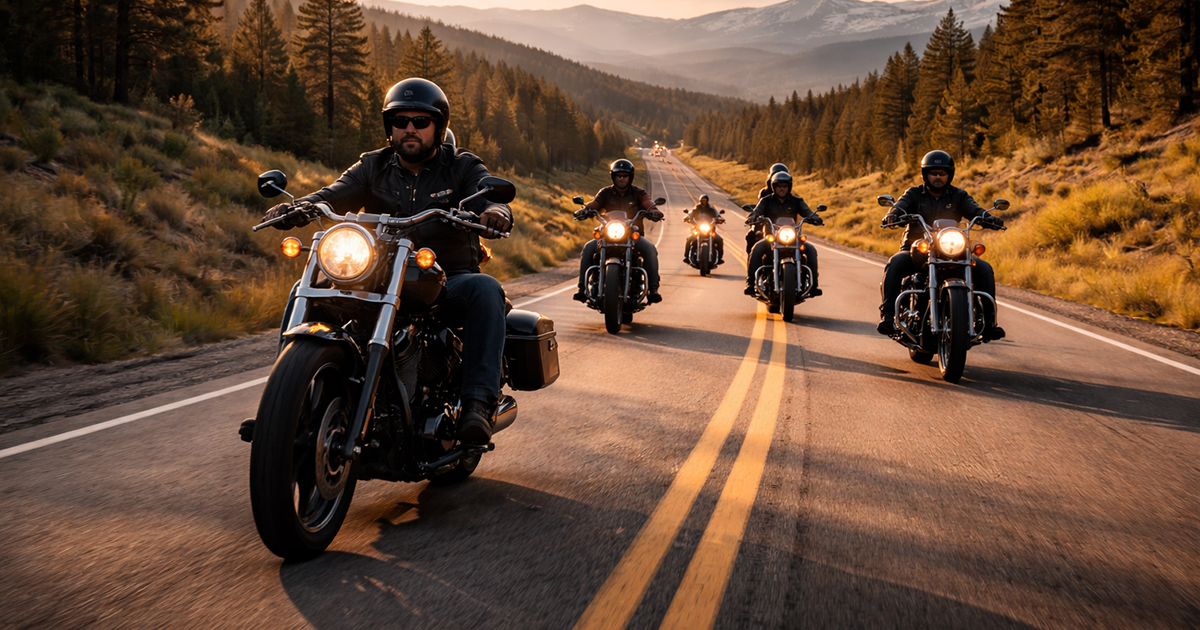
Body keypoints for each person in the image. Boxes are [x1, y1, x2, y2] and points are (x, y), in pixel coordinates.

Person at [262, 78, 512, 445]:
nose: (409, 128)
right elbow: (333, 195)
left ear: (438, 126)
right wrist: (299, 207)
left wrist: (494, 210)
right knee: (305, 287)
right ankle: (284, 404)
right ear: (389, 127)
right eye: (400, 120)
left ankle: (477, 403)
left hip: (445, 279)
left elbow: (488, 195)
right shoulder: (372, 166)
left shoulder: (460, 167)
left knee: (486, 289)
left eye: (420, 121)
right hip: (378, 275)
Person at [877, 150, 1005, 340]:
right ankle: (888, 316)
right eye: (933, 173)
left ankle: (988, 322)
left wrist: (989, 218)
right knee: (895, 262)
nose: (938, 177)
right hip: (917, 249)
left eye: (942, 173)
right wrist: (893, 214)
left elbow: (975, 210)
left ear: (949, 175)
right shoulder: (914, 194)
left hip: (952, 250)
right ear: (925, 174)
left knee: (984, 268)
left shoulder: (959, 196)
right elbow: (901, 205)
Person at [572, 159, 665, 303]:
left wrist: (653, 211)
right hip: (608, 234)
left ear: (630, 177)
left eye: (625, 176)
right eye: (618, 175)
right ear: (613, 177)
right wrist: (585, 210)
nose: (622, 178)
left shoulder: (638, 193)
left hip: (632, 235)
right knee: (589, 247)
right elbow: (595, 204)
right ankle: (582, 289)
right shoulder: (605, 193)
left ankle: (653, 289)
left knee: (650, 248)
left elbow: (648, 203)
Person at [744, 171, 823, 296]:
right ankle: (750, 284)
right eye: (779, 186)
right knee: (757, 248)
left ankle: (814, 286)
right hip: (772, 237)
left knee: (811, 250)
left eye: (784, 186)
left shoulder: (797, 201)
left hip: (792, 237)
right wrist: (752, 217)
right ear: (774, 187)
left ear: (789, 187)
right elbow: (757, 211)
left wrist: (815, 217)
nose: (782, 189)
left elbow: (807, 211)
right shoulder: (766, 200)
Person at [747, 163, 790, 254]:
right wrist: (754, 215)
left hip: (786, 228)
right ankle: (752, 262)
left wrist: (812, 217)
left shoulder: (791, 197)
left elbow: (802, 209)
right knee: (753, 236)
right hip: (767, 224)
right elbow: (759, 207)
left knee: (807, 248)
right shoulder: (764, 193)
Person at [684, 194, 725, 264]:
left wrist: (720, 219)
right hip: (698, 229)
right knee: (689, 239)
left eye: (705, 201)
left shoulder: (711, 209)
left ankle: (720, 258)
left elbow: (717, 215)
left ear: (707, 201)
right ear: (700, 201)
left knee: (719, 240)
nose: (703, 202)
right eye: (702, 200)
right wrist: (687, 217)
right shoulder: (697, 208)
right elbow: (691, 214)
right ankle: (686, 257)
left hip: (710, 229)